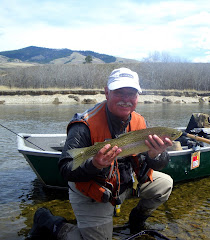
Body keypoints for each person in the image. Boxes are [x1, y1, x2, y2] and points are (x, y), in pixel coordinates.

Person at [28, 68, 174, 240]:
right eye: (119, 92)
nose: (126, 100)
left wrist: (155, 155)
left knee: (165, 184)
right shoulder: (83, 124)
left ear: (137, 97)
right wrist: (94, 164)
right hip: (94, 189)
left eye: (131, 94)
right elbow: (66, 169)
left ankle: (136, 221)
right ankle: (52, 224)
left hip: (126, 183)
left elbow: (160, 163)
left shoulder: (140, 122)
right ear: (107, 92)